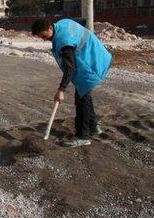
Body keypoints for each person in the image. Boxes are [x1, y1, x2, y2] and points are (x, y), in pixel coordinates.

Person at [32, 18, 112, 147]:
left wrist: (61, 90)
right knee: (84, 94)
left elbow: (70, 69)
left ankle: (83, 136)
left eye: (44, 36)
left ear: (50, 28)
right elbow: (82, 21)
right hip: (98, 56)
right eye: (41, 37)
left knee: (82, 100)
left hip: (92, 65)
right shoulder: (63, 22)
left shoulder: (64, 42)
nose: (44, 39)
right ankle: (93, 126)